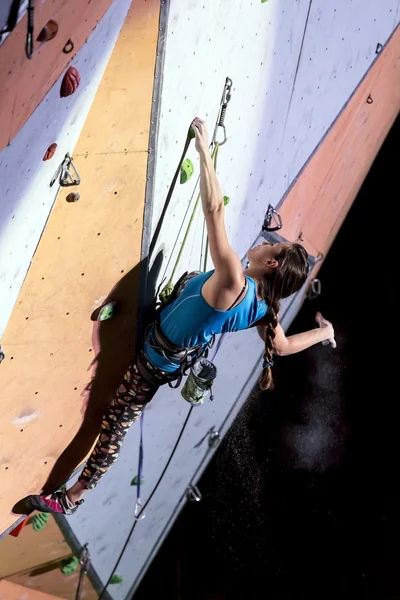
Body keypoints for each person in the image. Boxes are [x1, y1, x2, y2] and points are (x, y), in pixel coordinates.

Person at [27, 118, 335, 515]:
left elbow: (213, 210)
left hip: (153, 362)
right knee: (190, 282)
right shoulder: (262, 308)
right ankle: (73, 494)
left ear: (271, 262)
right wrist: (322, 331)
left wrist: (205, 151)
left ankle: (73, 498)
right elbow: (286, 345)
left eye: (271, 246)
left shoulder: (234, 282)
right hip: (171, 349)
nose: (262, 243)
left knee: (112, 426)